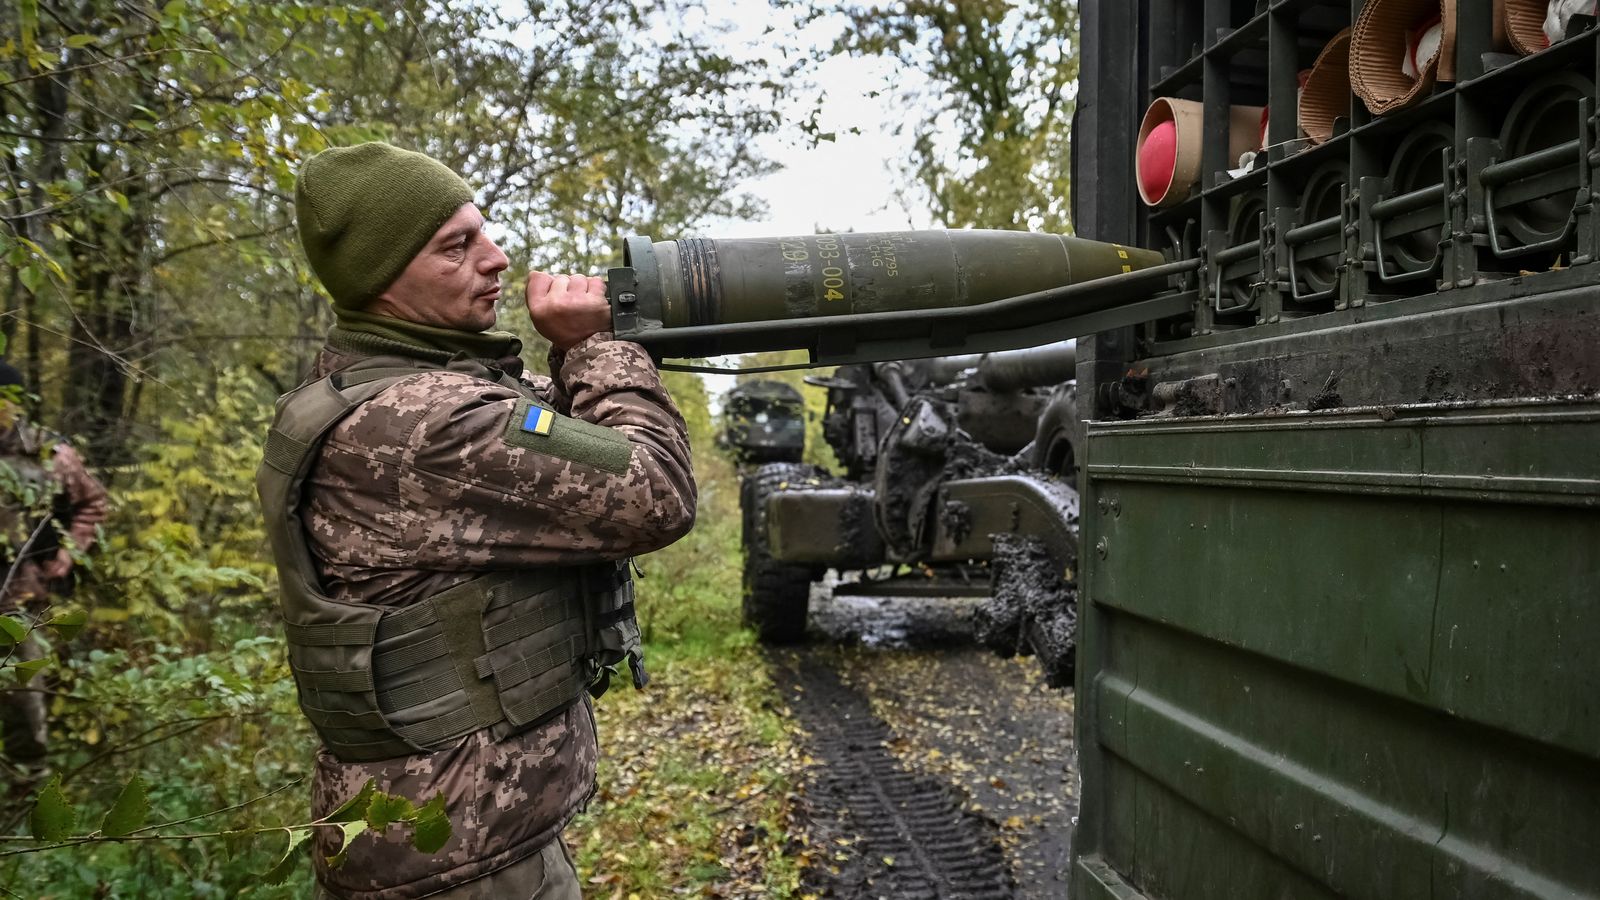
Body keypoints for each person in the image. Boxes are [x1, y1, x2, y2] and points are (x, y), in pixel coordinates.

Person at [258, 142, 696, 899]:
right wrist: (596, 346)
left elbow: (562, 440)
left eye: (483, 233)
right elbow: (651, 488)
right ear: (382, 279)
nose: (496, 259)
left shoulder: (386, 389)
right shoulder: (429, 424)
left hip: (447, 838)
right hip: (463, 861)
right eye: (456, 247)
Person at [0, 362, 109, 761]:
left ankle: (25, 789)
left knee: (23, 696)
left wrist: (70, 552)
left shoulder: (50, 454)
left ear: (15, 402)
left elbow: (93, 503)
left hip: (24, 593)